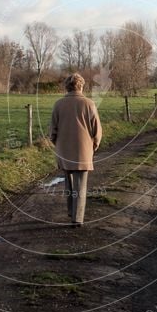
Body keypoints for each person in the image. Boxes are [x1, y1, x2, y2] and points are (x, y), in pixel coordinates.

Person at [48, 73, 102, 227]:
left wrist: (58, 145)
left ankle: (71, 211)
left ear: (67, 86)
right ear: (81, 86)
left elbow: (52, 131)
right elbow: (97, 131)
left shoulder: (58, 104)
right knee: (81, 185)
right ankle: (77, 218)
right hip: (84, 150)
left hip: (64, 150)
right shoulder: (89, 104)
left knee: (69, 183)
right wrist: (93, 146)